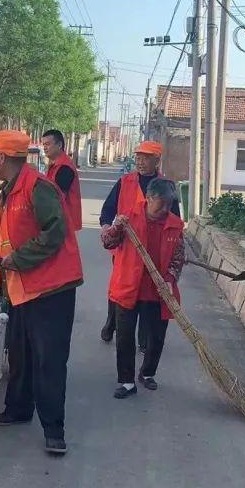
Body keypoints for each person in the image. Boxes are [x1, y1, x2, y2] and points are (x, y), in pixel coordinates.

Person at [0, 130, 83, 456]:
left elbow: (55, 232)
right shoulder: (10, 190)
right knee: (20, 354)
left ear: (1, 157)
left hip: (50, 290)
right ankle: (18, 408)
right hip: (21, 288)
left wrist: (18, 258)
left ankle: (54, 430)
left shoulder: (38, 188)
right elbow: (3, 233)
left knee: (49, 360)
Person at [101, 178, 185, 399]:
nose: (166, 209)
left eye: (169, 204)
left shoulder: (175, 224)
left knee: (156, 337)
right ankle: (126, 381)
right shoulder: (128, 217)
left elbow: (178, 256)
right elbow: (108, 242)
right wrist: (115, 227)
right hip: (128, 286)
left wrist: (170, 277)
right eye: (161, 203)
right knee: (125, 337)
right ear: (148, 199)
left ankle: (148, 373)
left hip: (158, 291)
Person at [98, 140, 181, 345]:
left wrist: (176, 249)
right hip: (126, 246)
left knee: (149, 293)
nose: (140, 162)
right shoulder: (125, 182)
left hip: (154, 249)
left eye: (145, 158)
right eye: (138, 157)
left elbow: (175, 220)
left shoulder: (165, 188)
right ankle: (112, 322)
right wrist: (107, 227)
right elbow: (108, 210)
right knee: (120, 289)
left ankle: (144, 337)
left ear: (157, 160)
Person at [41, 129, 83, 232]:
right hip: (58, 222)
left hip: (64, 225)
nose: (45, 148)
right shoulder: (55, 165)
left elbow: (56, 198)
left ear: (59, 145)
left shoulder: (65, 168)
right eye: (43, 144)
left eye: (48, 144)